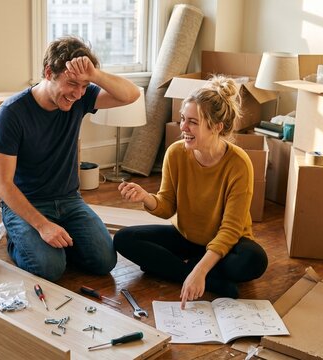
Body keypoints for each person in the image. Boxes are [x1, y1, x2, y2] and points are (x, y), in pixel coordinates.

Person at [0, 36, 140, 281]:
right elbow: (2, 184)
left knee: (105, 261)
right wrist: (42, 225)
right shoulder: (10, 114)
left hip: (68, 200)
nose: (78, 94)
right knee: (50, 268)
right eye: (72, 84)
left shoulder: (81, 98)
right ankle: (19, 242)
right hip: (26, 204)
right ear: (49, 72)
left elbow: (131, 95)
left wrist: (95, 76)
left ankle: (59, 243)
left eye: (84, 86)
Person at [114, 76, 268, 308]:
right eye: (183, 119)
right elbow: (167, 207)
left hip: (227, 244)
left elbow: (231, 229)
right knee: (125, 239)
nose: (183, 128)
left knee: (254, 260)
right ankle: (203, 277)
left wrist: (200, 268)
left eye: (193, 122)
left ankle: (186, 268)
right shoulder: (175, 153)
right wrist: (145, 197)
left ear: (217, 127)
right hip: (187, 237)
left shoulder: (238, 163)